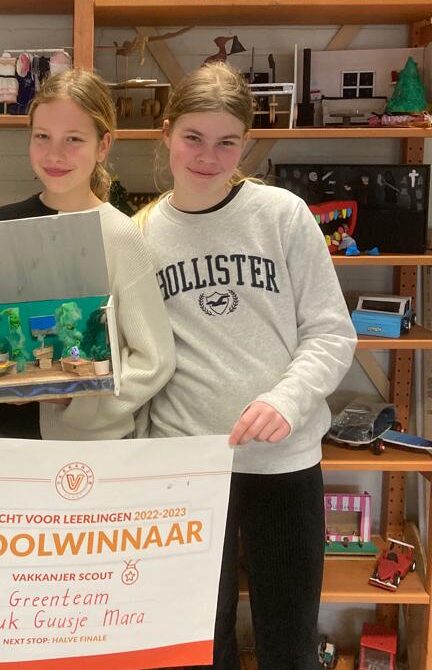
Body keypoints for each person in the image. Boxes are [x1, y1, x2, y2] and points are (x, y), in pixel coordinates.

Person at [135, 61, 357, 670]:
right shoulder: (140, 234)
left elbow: (332, 333)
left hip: (282, 463)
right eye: (193, 137)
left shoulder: (282, 215)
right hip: (186, 464)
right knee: (200, 643)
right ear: (166, 132)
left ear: (246, 144)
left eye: (227, 142)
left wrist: (286, 400)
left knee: (288, 640)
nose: (208, 157)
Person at [0, 68, 175, 440]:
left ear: (103, 146)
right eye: (42, 136)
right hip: (11, 444)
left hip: (91, 448)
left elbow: (154, 360)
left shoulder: (120, 235)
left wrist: (75, 398)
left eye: (74, 139)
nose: (55, 154)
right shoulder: (1, 225)